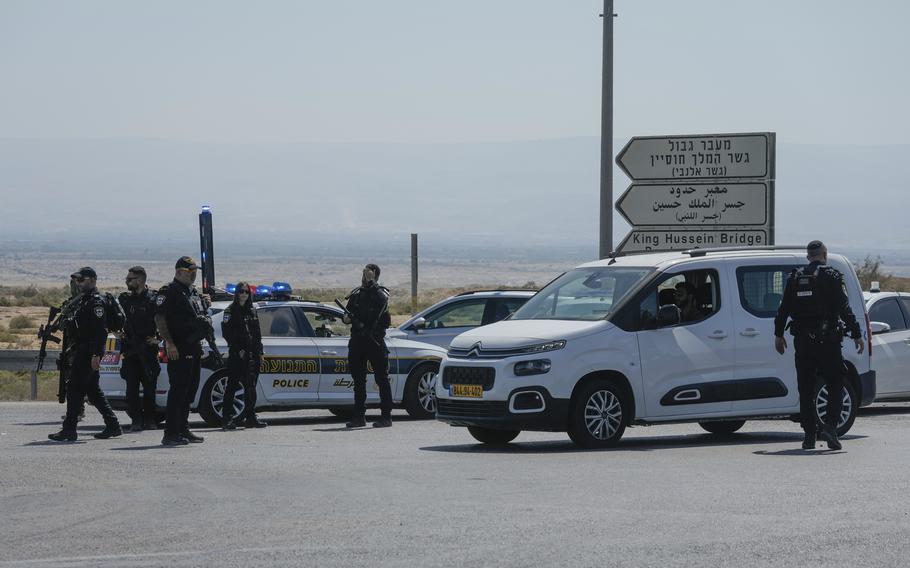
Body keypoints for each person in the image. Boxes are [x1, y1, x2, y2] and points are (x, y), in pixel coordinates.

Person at [774, 240, 864, 451]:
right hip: (828, 342)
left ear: (808, 256)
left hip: (803, 343)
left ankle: (809, 436)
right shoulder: (831, 277)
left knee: (805, 388)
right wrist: (858, 334)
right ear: (824, 254)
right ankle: (830, 427)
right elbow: (844, 309)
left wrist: (778, 335)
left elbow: (783, 309)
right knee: (834, 383)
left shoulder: (795, 278)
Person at [48, 267, 122, 441]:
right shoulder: (84, 301)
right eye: (77, 280)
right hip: (84, 349)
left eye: (82, 280)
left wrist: (96, 355)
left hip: (89, 351)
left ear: (93, 280)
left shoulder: (96, 302)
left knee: (74, 389)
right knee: (93, 390)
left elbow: (100, 331)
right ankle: (113, 425)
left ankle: (69, 429)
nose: (79, 283)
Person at [154, 256, 208, 446]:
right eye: (190, 271)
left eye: (195, 271)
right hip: (178, 347)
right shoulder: (169, 291)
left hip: (193, 347)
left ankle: (183, 429)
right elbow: (160, 319)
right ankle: (170, 433)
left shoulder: (192, 292)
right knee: (178, 391)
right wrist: (169, 344)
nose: (194, 275)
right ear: (179, 272)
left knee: (190, 391)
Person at [343, 263, 393, 428]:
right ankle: (359, 416)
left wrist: (372, 284)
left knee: (381, 379)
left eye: (368, 274)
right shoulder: (357, 294)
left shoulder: (381, 293)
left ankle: (386, 416)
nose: (364, 277)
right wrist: (347, 318)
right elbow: (347, 314)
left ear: (375, 276)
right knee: (358, 380)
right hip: (358, 341)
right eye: (364, 275)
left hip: (375, 341)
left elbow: (383, 302)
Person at [118, 266, 161, 432]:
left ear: (141, 280)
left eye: (130, 279)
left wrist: (159, 339)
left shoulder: (153, 299)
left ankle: (150, 420)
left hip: (148, 349)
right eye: (127, 279)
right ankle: (136, 420)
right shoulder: (125, 300)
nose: (127, 282)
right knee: (131, 389)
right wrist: (116, 331)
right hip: (130, 350)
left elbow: (166, 319)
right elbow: (114, 318)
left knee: (150, 387)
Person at [220, 282, 266, 430]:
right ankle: (227, 419)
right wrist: (238, 350)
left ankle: (251, 417)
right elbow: (227, 334)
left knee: (250, 387)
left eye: (246, 292)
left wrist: (260, 352)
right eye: (241, 291)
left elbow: (257, 334)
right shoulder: (230, 311)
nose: (244, 294)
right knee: (232, 386)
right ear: (236, 293)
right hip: (237, 355)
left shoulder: (252, 311)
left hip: (252, 355)